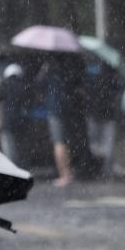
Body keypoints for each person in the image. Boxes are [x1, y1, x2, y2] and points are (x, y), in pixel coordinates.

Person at [39, 59, 75, 187]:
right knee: (63, 142)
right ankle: (67, 172)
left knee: (58, 143)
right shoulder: (64, 72)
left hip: (55, 111)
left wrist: (43, 72)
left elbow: (38, 86)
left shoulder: (49, 72)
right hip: (63, 110)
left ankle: (64, 174)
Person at [84, 61, 123, 176]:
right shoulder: (113, 80)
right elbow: (117, 94)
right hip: (109, 115)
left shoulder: (92, 77)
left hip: (94, 114)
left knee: (93, 142)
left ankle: (93, 166)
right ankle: (106, 168)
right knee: (108, 143)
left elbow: (88, 95)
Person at [0, 63, 28, 167]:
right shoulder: (24, 86)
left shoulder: (4, 85)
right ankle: (22, 166)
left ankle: (12, 169)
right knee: (20, 147)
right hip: (21, 120)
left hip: (7, 121)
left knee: (9, 148)